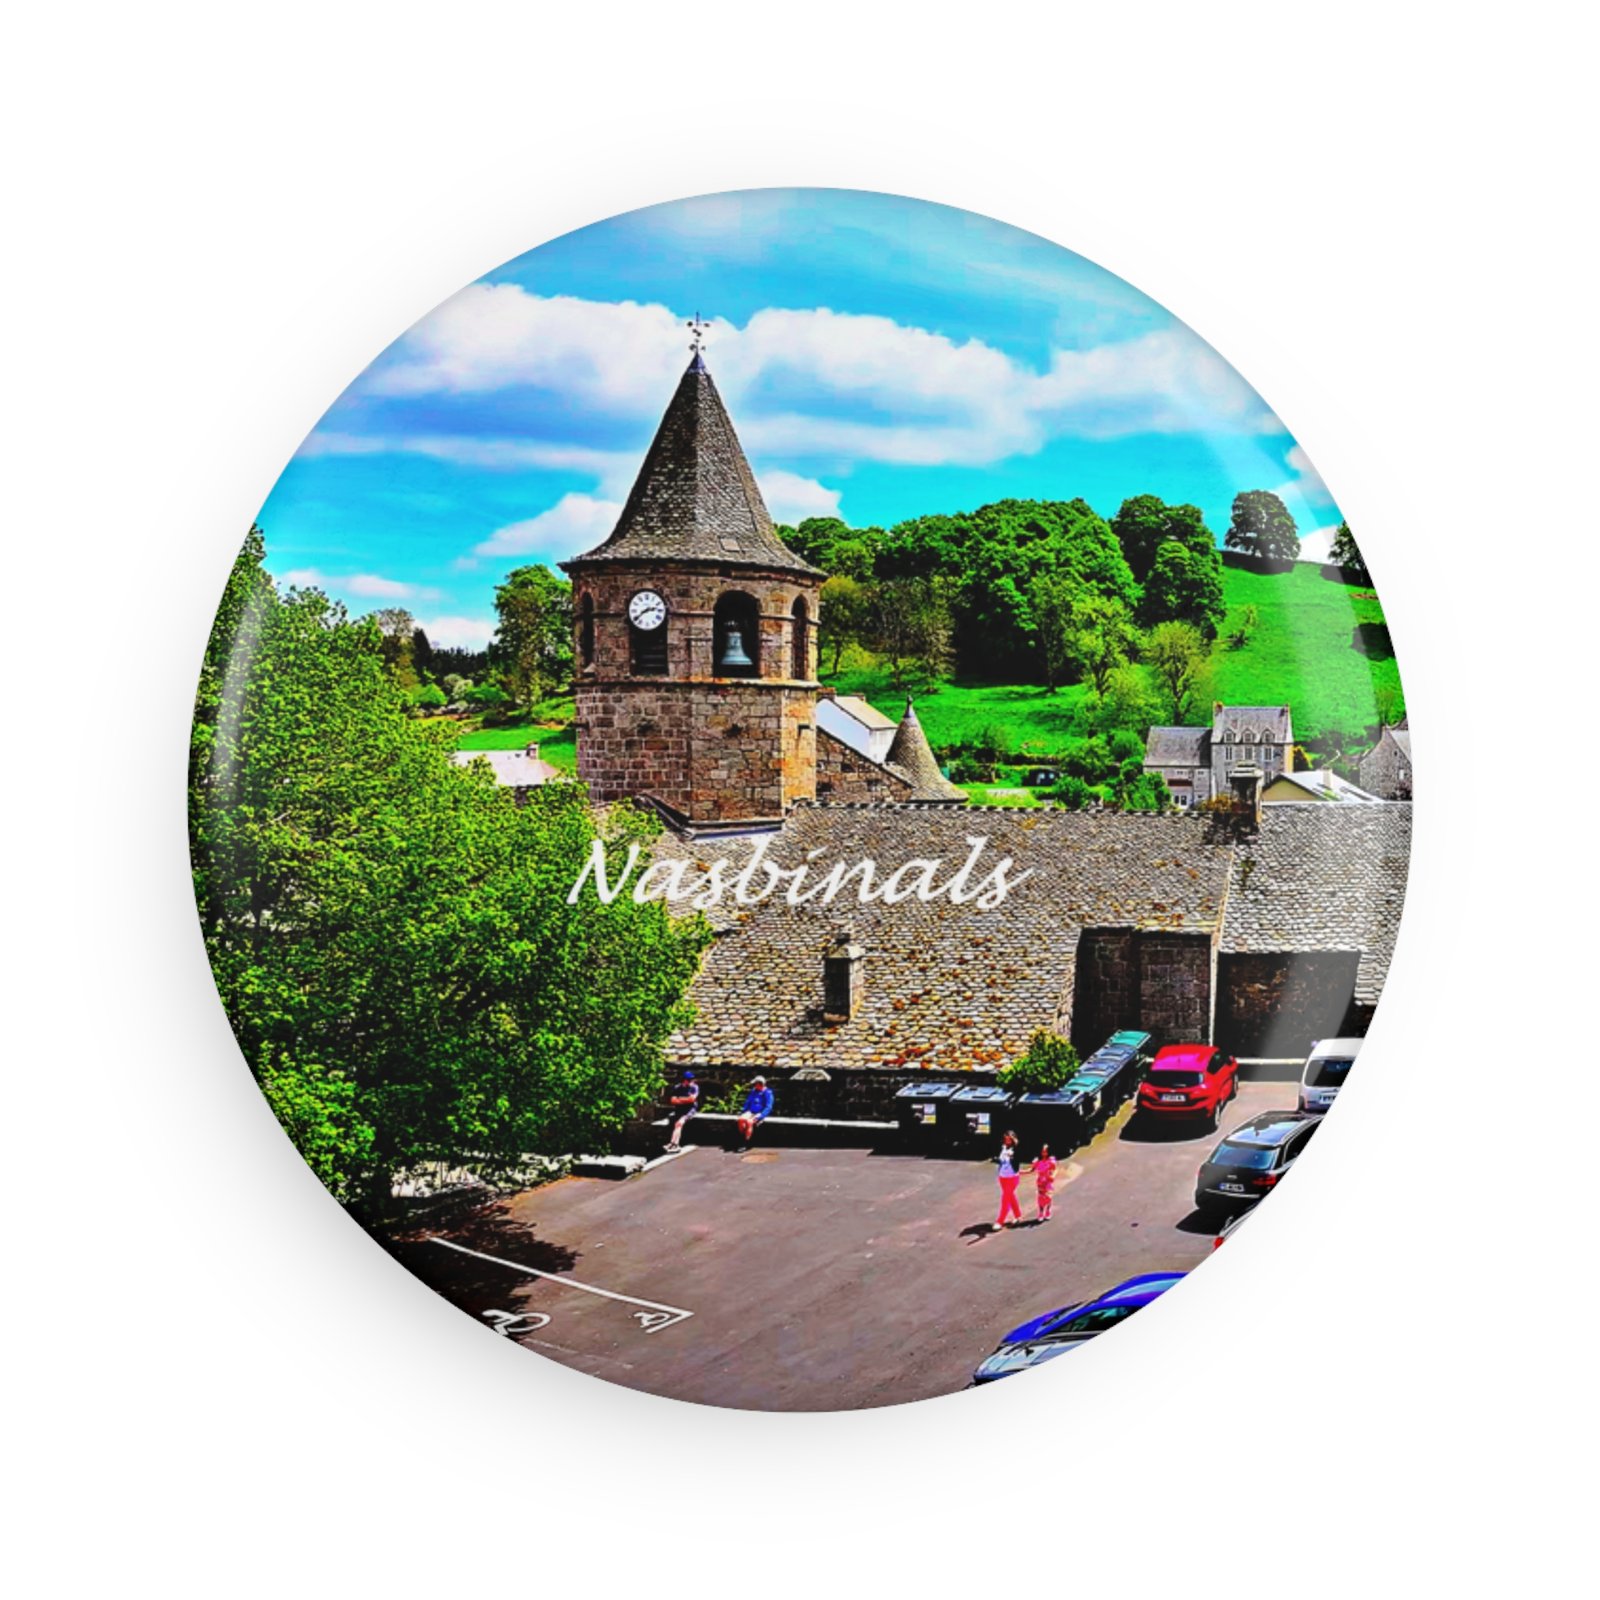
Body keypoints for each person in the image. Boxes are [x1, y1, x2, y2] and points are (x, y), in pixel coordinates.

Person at [994, 1130, 1025, 1230]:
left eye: (1009, 1140)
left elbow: (1018, 1160)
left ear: (1012, 1140)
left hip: (1012, 1177)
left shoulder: (1016, 1149)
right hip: (1002, 1176)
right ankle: (1018, 1215)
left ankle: (1000, 1221)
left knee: (1005, 1199)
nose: (1007, 1141)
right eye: (1005, 1139)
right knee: (1010, 1196)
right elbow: (1000, 1160)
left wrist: (1012, 1156)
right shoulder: (1002, 1147)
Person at [663, 1069, 699, 1152]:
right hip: (680, 1109)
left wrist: (679, 1099)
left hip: (690, 1109)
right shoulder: (678, 1088)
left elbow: (692, 1099)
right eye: (688, 1080)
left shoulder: (694, 1087)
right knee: (677, 1125)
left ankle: (674, 1144)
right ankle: (673, 1144)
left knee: (679, 1123)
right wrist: (685, 1099)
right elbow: (672, 1100)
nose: (690, 1081)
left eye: (691, 1079)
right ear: (684, 1080)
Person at [737, 1075, 774, 1146]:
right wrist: (743, 1111)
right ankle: (743, 1137)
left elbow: (768, 1107)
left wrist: (761, 1115)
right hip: (750, 1111)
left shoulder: (768, 1093)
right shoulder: (754, 1091)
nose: (754, 1085)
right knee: (741, 1120)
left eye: (755, 1084)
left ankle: (746, 1142)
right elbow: (748, 1102)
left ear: (760, 1084)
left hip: (760, 1113)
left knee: (749, 1122)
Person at [1033, 1143, 1059, 1221]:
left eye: (1045, 1151)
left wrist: (1053, 1176)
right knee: (1041, 1198)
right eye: (1043, 1151)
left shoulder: (1051, 1160)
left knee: (1048, 1197)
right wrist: (1020, 1172)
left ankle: (1048, 1211)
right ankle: (1041, 1213)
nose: (1044, 1153)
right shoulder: (1037, 1161)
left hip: (1048, 1181)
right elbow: (1032, 1169)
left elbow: (1055, 1169)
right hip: (1040, 1181)